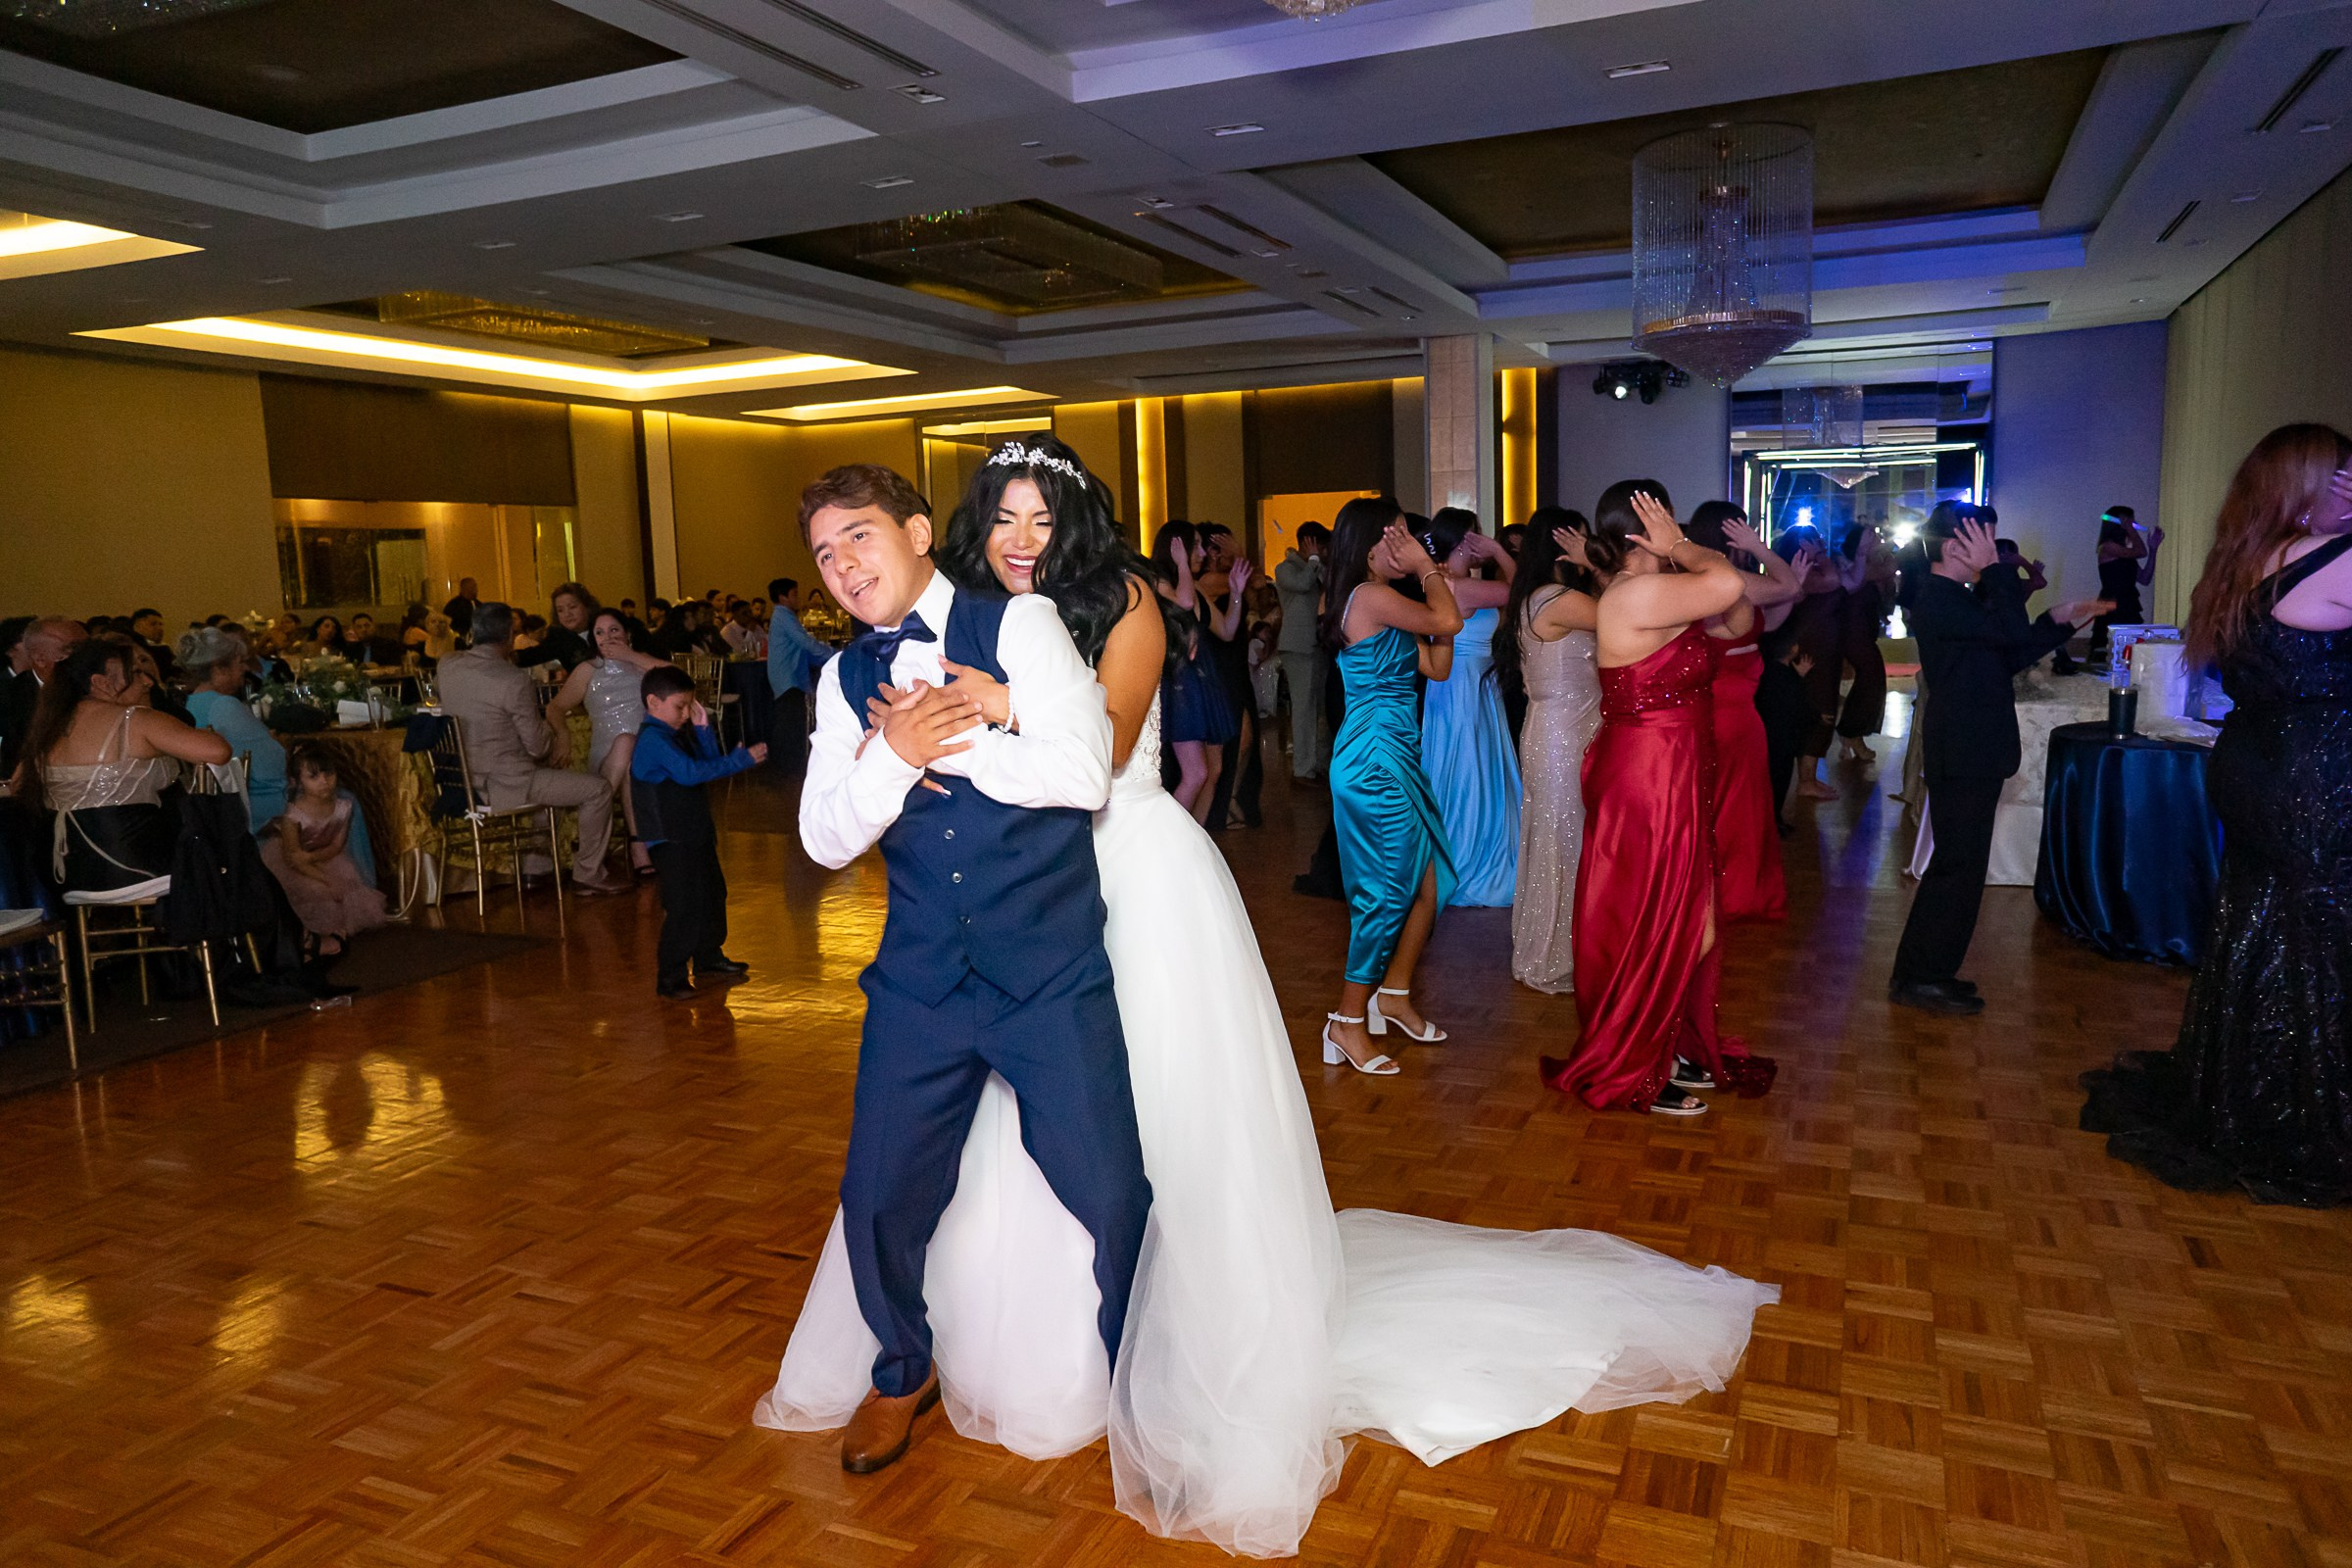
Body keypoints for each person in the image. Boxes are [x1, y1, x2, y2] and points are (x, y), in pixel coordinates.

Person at [760, 437, 1780, 1557]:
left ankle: (1156, 1350)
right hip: (996, 911)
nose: (1019, 540)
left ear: (1076, 527)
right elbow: (841, 819)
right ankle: (988, 1350)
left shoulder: (1117, 608)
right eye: (1001, 519)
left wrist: (985, 715)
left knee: (1137, 1136)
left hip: (1125, 877)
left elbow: (1091, 759)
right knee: (964, 1156)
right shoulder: (929, 638)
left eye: (1040, 520)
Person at [771, 460, 1152, 1476]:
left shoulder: (1016, 626)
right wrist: (891, 756)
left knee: (1112, 1192)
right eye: (823, 553)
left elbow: (1082, 776)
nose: (844, 565)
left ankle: (1143, 1383)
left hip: (1048, 971)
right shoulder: (839, 680)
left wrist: (955, 740)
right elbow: (822, 837)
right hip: (922, 981)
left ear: (916, 530)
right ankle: (902, 1370)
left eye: (859, 536)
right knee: (879, 1194)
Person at [2082, 427, 2352, 1202]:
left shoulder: (2245, 561)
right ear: (2307, 484)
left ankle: (2243, 1084)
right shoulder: (2327, 560)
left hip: (2261, 764)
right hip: (2313, 773)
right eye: (2342, 478)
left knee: (2264, 924)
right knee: (2317, 935)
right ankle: (2300, 1104)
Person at [1543, 483, 1745, 1116]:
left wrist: (1681, 550)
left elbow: (1738, 606)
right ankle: (1635, 1063)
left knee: (1693, 922)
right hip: (1648, 778)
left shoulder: (1652, 591)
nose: (1677, 528)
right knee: (1658, 924)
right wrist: (1681, 546)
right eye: (1667, 518)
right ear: (1643, 530)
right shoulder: (1635, 594)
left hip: (1670, 773)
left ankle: (1662, 1042)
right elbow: (1730, 589)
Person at [1888, 510, 2109, 1014]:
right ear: (1954, 548)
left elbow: (2004, 654)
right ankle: (1920, 976)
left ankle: (1926, 971)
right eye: (1984, 543)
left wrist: (2058, 620)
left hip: (1974, 746)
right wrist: (1997, 573)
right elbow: (2007, 631)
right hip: (1963, 747)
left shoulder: (1955, 601)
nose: (1994, 552)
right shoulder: (1938, 600)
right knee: (1956, 869)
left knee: (1960, 867)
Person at [1320, 497, 1462, 1074]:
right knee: (1383, 895)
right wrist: (1432, 575)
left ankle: (1395, 994)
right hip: (1374, 757)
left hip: (1399, 752)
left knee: (1435, 884)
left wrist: (1438, 583)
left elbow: (1438, 665)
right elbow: (1449, 621)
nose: (1408, 542)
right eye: (1398, 534)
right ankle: (1346, 1023)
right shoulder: (1369, 595)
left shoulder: (1386, 601)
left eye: (1409, 534)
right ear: (1369, 543)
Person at [432, 602, 627, 897]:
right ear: (510, 635)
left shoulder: (447, 664)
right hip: (506, 784)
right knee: (597, 789)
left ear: (474, 632)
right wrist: (558, 734)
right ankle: (589, 873)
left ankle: (537, 867)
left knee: (552, 779)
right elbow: (537, 747)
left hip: (460, 779)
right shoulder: (512, 680)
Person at [14, 639, 229, 896]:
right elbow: (218, 752)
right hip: (138, 867)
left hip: (70, 875)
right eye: (136, 674)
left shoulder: (49, 727)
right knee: (233, 862)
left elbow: (17, 784)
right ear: (101, 683)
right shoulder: (134, 719)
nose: (148, 682)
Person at [1493, 508, 1600, 993]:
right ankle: (1560, 952)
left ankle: (1570, 942)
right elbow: (1628, 614)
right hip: (1562, 732)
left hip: (1562, 726)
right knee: (1564, 837)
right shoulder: (1556, 599)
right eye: (1582, 538)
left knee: (1564, 836)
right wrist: (1598, 564)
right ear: (1564, 544)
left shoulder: (1540, 595)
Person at [1687, 502, 1804, 923]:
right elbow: (1787, 585)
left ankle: (1711, 890)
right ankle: (1729, 891)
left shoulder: (1700, 582)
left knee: (1720, 805)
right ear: (1731, 533)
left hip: (1722, 709)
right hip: (1731, 715)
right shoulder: (1728, 580)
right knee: (1734, 808)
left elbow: (1762, 624)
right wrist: (1760, 548)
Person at [630, 664, 765, 999]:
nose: (685, 714)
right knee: (684, 906)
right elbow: (691, 774)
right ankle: (670, 978)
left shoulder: (672, 734)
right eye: (680, 707)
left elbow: (705, 766)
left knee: (711, 895)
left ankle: (708, 957)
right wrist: (742, 760)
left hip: (693, 832)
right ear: (653, 702)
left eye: (690, 707)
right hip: (670, 838)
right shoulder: (652, 740)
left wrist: (703, 730)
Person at [1417, 508, 1520, 906]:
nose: (1484, 540)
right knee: (1469, 771)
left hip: (1470, 685)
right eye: (1479, 534)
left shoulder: (1452, 581)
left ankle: (1458, 856)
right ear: (1465, 539)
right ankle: (1469, 858)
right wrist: (1499, 552)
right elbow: (1523, 588)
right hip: (1463, 687)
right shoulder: (1459, 587)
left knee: (1471, 768)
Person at [545, 610, 668, 878]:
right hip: (606, 755)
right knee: (625, 744)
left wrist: (632, 657)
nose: (607, 637)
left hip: (646, 755)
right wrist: (563, 735)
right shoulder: (588, 670)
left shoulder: (640, 664)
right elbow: (554, 708)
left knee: (631, 755)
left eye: (614, 630)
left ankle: (592, 834)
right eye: (599, 632)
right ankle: (638, 847)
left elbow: (679, 679)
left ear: (627, 634)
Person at [259, 743, 387, 957]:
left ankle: (341, 928)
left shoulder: (344, 806)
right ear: (298, 781)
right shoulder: (293, 815)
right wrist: (325, 878)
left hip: (320, 855)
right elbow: (293, 858)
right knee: (318, 891)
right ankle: (315, 936)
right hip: (291, 862)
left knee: (348, 885)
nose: (324, 782)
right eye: (314, 777)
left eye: (329, 774)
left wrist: (315, 859)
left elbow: (337, 845)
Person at [1149, 521, 1238, 822]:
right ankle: (1171, 839)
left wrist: (1236, 592)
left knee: (1211, 771)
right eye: (1195, 545)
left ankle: (1197, 840)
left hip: (1201, 680)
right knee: (1196, 773)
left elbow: (1226, 630)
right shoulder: (1157, 579)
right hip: (1180, 683)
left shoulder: (1192, 584)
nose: (1201, 552)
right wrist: (1183, 566)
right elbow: (1184, 603)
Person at [179, 625, 288, 833]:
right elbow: (272, 767)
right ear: (219, 668)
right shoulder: (224, 706)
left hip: (215, 809)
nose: (245, 669)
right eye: (240, 663)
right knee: (344, 803)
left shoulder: (190, 704)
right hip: (249, 809)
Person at [1197, 523, 1261, 832]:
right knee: (1240, 734)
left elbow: (1254, 597)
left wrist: (1238, 559)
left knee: (1246, 734)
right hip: (1219, 660)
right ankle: (1227, 803)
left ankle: (1233, 798)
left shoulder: (1228, 578)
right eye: (1220, 548)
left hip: (1235, 657)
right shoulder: (1208, 581)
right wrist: (1240, 558)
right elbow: (1256, 582)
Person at [1274, 521, 1330, 783]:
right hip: (1297, 646)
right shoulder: (1285, 568)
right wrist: (1314, 560)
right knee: (1303, 708)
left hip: (1318, 645)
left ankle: (1318, 761)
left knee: (1319, 707)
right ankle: (1302, 768)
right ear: (1309, 542)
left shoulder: (1317, 568)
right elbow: (1303, 584)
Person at [0, 616, 88, 778]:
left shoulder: (96, 688)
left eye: (89, 649)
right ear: (40, 659)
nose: (88, 658)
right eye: (73, 650)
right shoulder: (8, 697)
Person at [766, 576, 829, 773]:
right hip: (788, 677)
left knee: (790, 720)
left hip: (789, 676)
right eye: (794, 594)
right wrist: (835, 654)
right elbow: (806, 643)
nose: (798, 598)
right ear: (782, 597)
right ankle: (786, 766)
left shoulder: (784, 616)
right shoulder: (783, 616)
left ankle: (786, 766)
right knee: (789, 722)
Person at [1754, 630, 1816, 833]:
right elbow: (1798, 707)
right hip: (1783, 740)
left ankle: (1771, 820)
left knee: (1767, 782)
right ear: (1793, 649)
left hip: (1766, 736)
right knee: (1779, 782)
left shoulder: (1764, 672)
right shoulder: (1787, 678)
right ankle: (1775, 822)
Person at [2089, 505, 2163, 660]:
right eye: (2129, 520)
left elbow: (2144, 578)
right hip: (2112, 604)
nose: (2132, 523)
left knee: (2129, 654)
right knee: (2107, 651)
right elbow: (2141, 552)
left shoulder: (2126, 554)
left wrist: (2154, 549)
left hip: (2128, 604)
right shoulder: (2107, 546)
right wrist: (2130, 529)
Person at [517, 583, 598, 674]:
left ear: (587, 606)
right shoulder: (559, 637)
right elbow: (534, 655)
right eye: (560, 610)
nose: (567, 614)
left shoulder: (603, 626)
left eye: (572, 607)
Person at [442, 576, 480, 643]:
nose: (476, 590)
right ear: (465, 588)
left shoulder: (478, 605)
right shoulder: (453, 606)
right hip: (460, 641)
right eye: (473, 587)